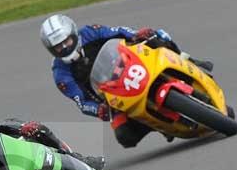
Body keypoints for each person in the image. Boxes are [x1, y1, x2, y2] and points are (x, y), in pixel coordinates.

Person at [40, 14, 213, 148]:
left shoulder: (90, 32)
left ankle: (189, 61)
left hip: (130, 64)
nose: (64, 47)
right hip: (111, 99)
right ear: (51, 50)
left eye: (66, 41)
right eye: (58, 46)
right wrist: (98, 109)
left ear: (73, 33)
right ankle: (159, 125)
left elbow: (118, 32)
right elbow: (81, 102)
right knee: (125, 137)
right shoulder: (60, 74)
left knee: (157, 36)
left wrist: (137, 35)